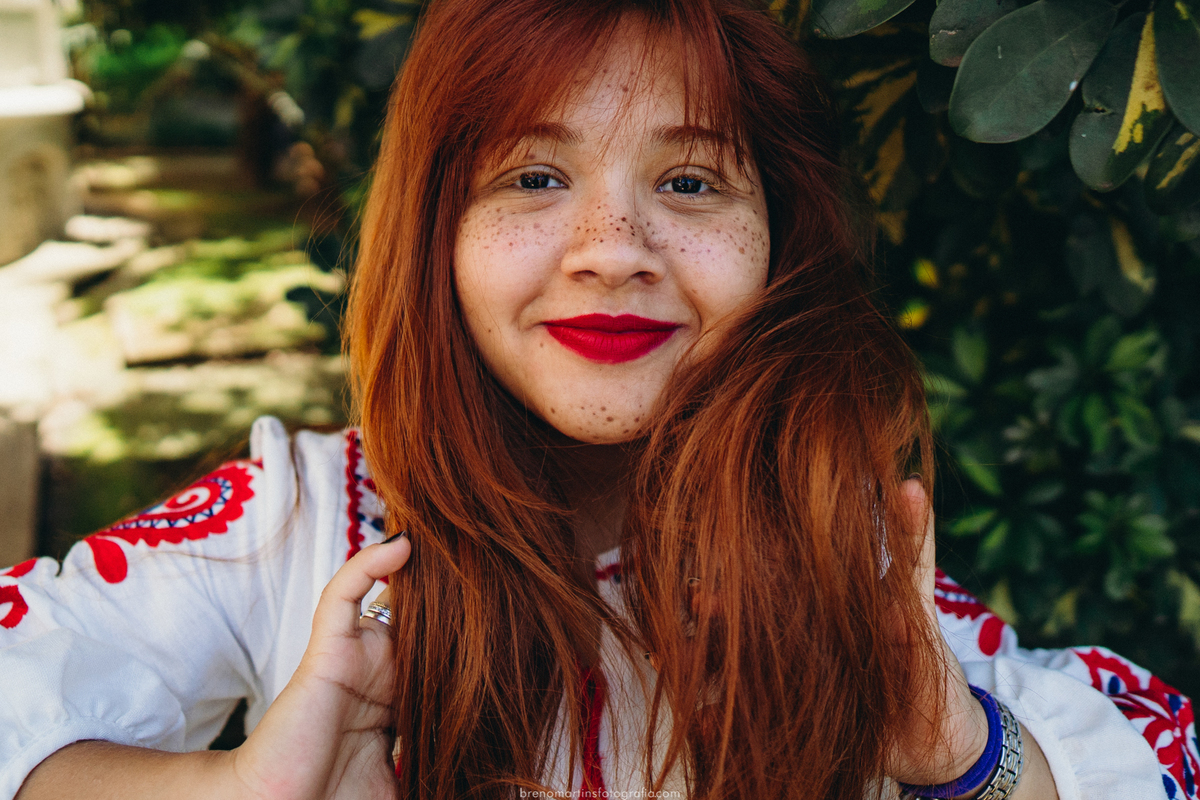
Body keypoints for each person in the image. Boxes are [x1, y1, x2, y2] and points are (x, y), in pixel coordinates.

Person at [2, 0, 1197, 798]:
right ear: (434, 231)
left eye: (689, 180)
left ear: (777, 246)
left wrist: (960, 754)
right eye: (533, 175)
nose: (611, 246)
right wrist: (238, 783)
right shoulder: (307, 522)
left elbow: (1150, 761)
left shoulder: (845, 548)